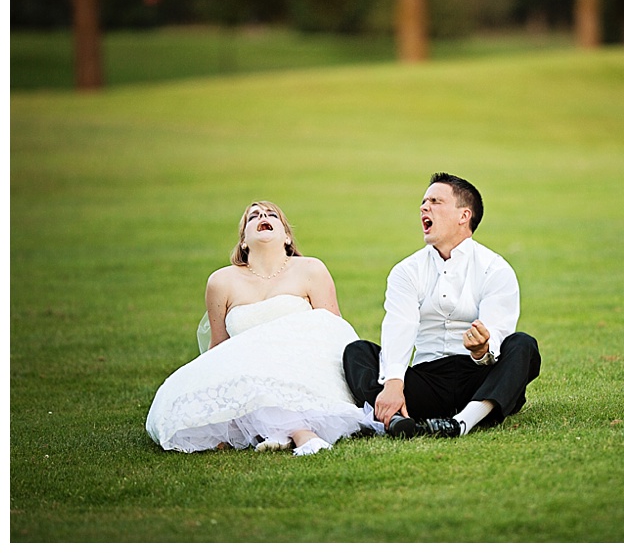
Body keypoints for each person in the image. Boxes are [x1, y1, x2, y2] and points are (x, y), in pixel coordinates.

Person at [146, 201, 378, 456]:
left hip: (303, 364)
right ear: (243, 241)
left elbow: (332, 328)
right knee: (186, 396)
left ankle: (297, 434)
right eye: (253, 216)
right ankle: (287, 432)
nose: (263, 216)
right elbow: (220, 346)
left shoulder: (311, 269)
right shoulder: (221, 282)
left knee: (279, 373)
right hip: (249, 371)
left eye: (271, 215)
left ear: (287, 236)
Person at [343, 173, 541, 438]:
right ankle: (397, 419)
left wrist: (482, 349)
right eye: (424, 202)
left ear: (464, 216)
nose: (424, 207)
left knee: (523, 345)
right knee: (357, 352)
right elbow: (400, 325)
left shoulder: (495, 269)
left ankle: (461, 423)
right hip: (426, 381)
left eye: (435, 201)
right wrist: (394, 382)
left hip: (479, 380)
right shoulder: (406, 270)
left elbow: (497, 332)